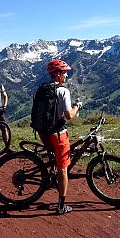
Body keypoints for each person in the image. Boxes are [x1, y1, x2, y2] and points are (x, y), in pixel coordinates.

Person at [36, 60, 82, 215]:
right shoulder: (63, 91)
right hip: (58, 134)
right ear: (57, 74)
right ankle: (61, 205)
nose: (66, 75)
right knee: (63, 169)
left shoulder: (43, 88)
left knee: (55, 160)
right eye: (64, 72)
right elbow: (69, 115)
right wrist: (77, 107)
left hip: (44, 133)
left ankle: (51, 174)